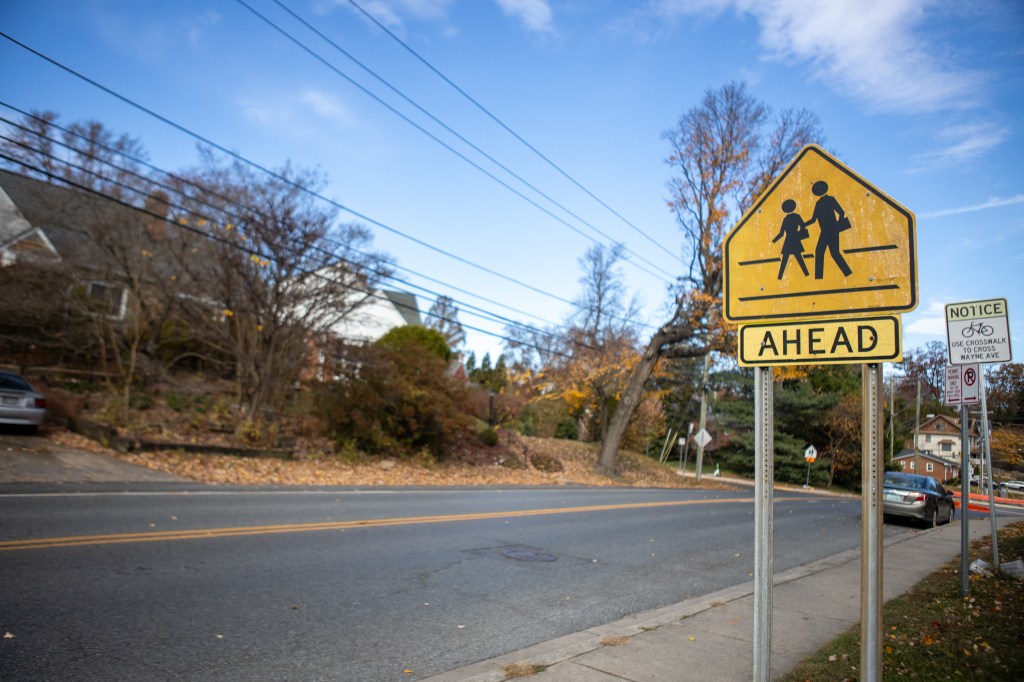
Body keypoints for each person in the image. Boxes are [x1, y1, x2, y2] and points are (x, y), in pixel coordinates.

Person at [804, 180, 853, 279]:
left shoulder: (830, 200)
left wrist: (838, 223)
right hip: (827, 231)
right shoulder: (820, 203)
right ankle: (820, 277)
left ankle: (847, 273)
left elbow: (841, 212)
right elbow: (814, 219)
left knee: (829, 253)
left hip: (831, 230)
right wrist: (803, 225)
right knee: (825, 252)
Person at [771, 198, 810, 279]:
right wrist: (799, 234)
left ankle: (780, 277)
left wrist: (773, 241)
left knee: (786, 259)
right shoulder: (796, 216)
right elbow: (803, 226)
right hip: (795, 239)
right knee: (798, 258)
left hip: (788, 240)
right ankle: (806, 274)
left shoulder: (786, 219)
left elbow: (781, 234)